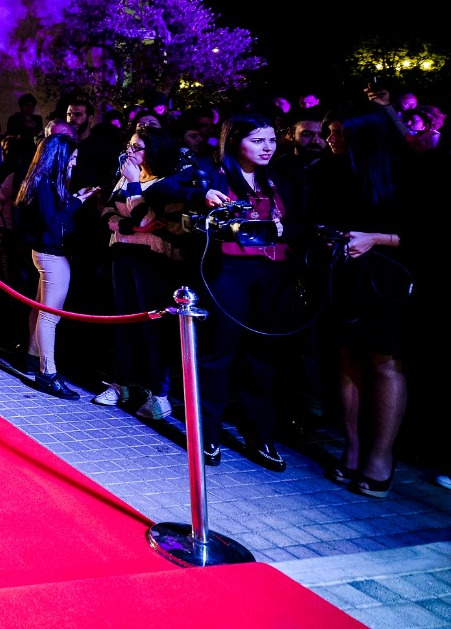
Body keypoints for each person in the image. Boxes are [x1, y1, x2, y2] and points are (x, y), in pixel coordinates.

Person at [173, 113, 298, 472]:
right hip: (228, 270)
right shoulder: (213, 173)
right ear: (234, 141)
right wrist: (201, 194)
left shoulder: (279, 177)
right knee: (219, 353)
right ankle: (207, 432)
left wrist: (284, 228)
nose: (267, 147)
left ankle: (259, 435)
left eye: (271, 140)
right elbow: (162, 189)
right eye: (257, 141)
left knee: (262, 357)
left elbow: (299, 222)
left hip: (272, 272)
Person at [311, 106, 420, 497]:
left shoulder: (405, 172)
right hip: (344, 274)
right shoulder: (329, 169)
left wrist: (375, 238)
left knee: (384, 362)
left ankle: (380, 456)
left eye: (339, 132)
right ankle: (353, 449)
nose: (330, 139)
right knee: (346, 359)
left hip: (389, 279)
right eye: (329, 131)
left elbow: (427, 233)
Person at [96, 123, 184, 419]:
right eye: (129, 146)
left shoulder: (166, 184)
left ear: (154, 151)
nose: (130, 152)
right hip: (122, 253)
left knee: (152, 326)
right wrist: (125, 225)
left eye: (137, 147)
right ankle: (120, 384)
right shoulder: (125, 179)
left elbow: (145, 219)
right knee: (124, 321)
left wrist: (134, 186)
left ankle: (159, 394)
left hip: (151, 259)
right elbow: (107, 212)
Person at [15, 133, 100, 400]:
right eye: (71, 158)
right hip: (51, 254)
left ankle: (32, 357)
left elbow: (50, 213)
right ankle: (47, 373)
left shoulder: (42, 180)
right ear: (59, 157)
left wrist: (74, 196)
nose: (73, 163)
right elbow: (52, 220)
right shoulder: (43, 182)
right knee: (50, 315)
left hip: (44, 251)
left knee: (40, 307)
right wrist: (78, 201)